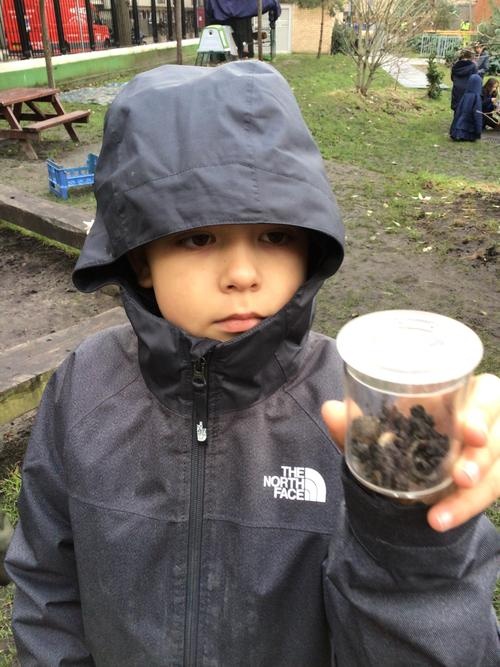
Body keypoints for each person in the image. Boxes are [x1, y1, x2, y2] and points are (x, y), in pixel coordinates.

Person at [5, 61, 500, 665]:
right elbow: (48, 587)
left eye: (274, 236)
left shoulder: (357, 412)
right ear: (139, 258)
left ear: (310, 242)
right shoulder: (83, 386)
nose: (242, 274)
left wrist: (410, 535)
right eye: (197, 237)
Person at [450, 73, 484, 141]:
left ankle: (457, 134)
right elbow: (477, 114)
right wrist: (478, 131)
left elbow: (458, 112)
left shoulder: (465, 95)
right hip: (469, 130)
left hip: (458, 127)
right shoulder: (476, 97)